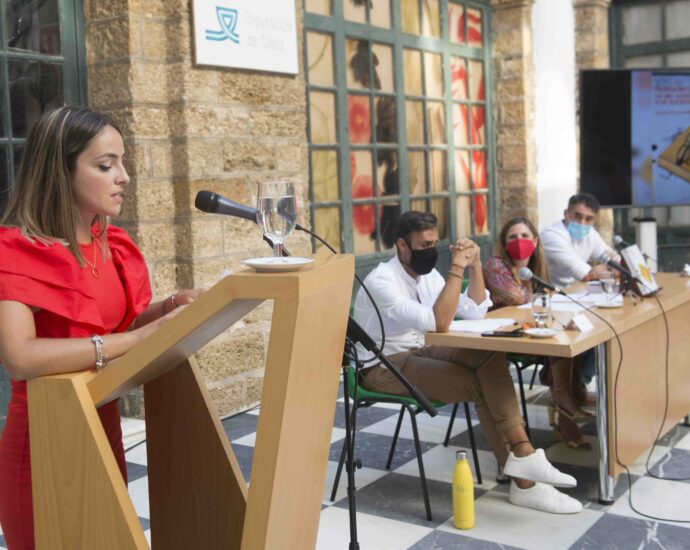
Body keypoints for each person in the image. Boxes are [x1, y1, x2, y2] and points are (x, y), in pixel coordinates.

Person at [0, 107, 202, 550]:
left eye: (123, 162)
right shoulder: (16, 249)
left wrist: (170, 308)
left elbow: (120, 327)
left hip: (102, 422)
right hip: (43, 440)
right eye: (106, 165)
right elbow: (20, 356)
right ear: (60, 172)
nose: (124, 176)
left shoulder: (116, 247)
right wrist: (133, 340)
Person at [353, 211, 582, 514]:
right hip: (383, 365)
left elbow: (473, 311)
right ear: (402, 245)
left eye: (435, 243)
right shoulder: (382, 280)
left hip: (424, 350)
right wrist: (456, 268)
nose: (431, 250)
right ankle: (524, 477)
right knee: (481, 385)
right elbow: (437, 322)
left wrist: (474, 266)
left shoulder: (427, 276)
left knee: (490, 352)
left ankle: (523, 461)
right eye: (423, 245)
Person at [484, 217, 592, 450]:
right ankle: (565, 402)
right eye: (513, 237)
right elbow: (513, 297)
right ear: (504, 242)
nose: (519, 241)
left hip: (529, 331)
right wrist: (541, 297)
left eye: (524, 236)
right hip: (500, 337)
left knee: (573, 338)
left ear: (535, 241)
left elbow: (542, 300)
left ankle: (564, 402)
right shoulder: (496, 264)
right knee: (559, 341)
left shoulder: (535, 267)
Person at [539, 192, 618, 288]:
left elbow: (613, 257)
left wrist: (608, 267)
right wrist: (615, 271)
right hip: (554, 295)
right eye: (578, 217)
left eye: (588, 219)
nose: (582, 223)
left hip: (578, 291)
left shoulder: (590, 233)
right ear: (566, 214)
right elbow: (587, 276)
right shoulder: (552, 236)